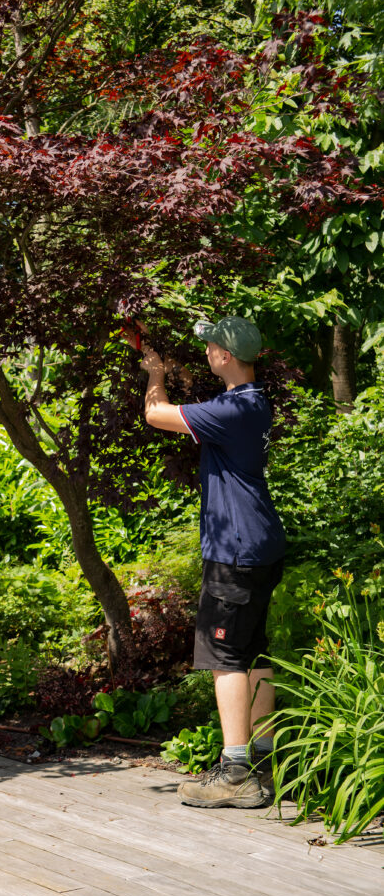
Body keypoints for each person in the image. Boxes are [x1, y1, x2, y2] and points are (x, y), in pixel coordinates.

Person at [128, 315, 285, 808]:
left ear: (225, 355)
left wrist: (155, 374)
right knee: (254, 653)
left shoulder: (231, 410)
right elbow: (205, 406)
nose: (207, 352)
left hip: (234, 550)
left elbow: (156, 414)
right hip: (260, 545)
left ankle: (235, 774)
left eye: (211, 346)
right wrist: (164, 364)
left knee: (225, 657)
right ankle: (263, 760)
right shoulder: (252, 401)